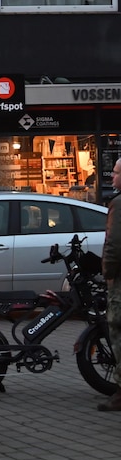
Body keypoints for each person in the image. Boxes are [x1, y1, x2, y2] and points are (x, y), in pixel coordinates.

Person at [97, 157, 121, 411]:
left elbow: (114, 245)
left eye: (115, 173)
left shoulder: (118, 204)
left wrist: (108, 273)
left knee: (118, 331)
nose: (112, 177)